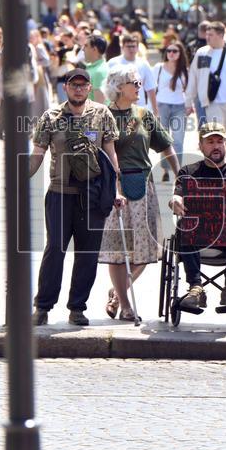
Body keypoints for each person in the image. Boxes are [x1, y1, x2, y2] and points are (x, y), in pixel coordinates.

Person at [30, 68, 122, 326]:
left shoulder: (102, 114)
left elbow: (110, 153)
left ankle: (77, 308)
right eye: (73, 85)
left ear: (89, 88)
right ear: (66, 88)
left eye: (83, 85)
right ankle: (43, 307)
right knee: (54, 251)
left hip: (93, 195)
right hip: (60, 194)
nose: (78, 89)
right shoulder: (51, 117)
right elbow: (37, 153)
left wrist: (116, 189)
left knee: (87, 254)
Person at [99, 69, 178, 321]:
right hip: (114, 186)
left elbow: (166, 146)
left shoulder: (145, 115)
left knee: (150, 246)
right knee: (117, 249)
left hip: (144, 183)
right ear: (119, 87)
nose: (140, 87)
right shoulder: (102, 115)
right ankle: (125, 305)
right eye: (135, 83)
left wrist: (182, 176)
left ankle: (118, 291)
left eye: (140, 83)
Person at [172, 122, 226, 311]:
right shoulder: (188, 171)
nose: (216, 146)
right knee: (185, 224)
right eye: (210, 142)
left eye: (220, 141)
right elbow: (177, 195)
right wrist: (175, 200)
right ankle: (195, 287)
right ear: (200, 146)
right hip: (197, 236)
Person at [186, 21, 226, 154]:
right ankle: (217, 165)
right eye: (207, 34)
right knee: (217, 134)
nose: (207, 37)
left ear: (221, 35)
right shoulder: (202, 53)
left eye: (211, 34)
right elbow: (193, 77)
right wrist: (188, 102)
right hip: (212, 102)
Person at [155, 40, 189, 183]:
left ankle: (177, 170)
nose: (171, 54)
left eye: (175, 51)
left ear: (180, 53)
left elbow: (189, 90)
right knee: (164, 140)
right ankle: (165, 170)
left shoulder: (184, 70)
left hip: (179, 106)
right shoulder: (159, 67)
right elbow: (150, 86)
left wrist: (190, 104)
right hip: (162, 105)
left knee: (178, 140)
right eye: (169, 51)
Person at [106, 34, 159, 114]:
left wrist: (155, 110)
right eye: (128, 46)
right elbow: (107, 85)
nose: (131, 49)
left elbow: (150, 89)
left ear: (138, 48)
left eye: (133, 46)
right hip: (117, 107)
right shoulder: (113, 63)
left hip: (139, 108)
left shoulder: (144, 64)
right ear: (122, 47)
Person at [84, 34, 109, 104]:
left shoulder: (99, 71)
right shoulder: (94, 68)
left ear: (94, 49)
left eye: (86, 46)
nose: (83, 49)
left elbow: (100, 105)